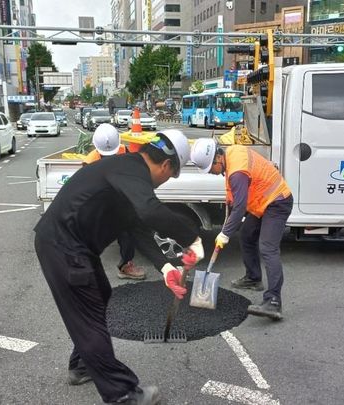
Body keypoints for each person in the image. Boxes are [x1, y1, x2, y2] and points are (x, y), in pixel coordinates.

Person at [34, 129, 205, 404]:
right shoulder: (131, 170)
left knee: (100, 297)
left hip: (74, 246)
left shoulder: (127, 171)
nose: (163, 183)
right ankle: (122, 393)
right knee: (89, 316)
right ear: (166, 166)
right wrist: (192, 238)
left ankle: (82, 366)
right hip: (63, 246)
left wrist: (166, 269)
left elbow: (138, 227)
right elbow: (150, 210)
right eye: (170, 176)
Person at [190, 138, 293, 321]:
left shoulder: (236, 171)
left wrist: (225, 234)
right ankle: (253, 278)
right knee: (246, 235)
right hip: (262, 204)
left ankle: (274, 302)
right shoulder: (231, 156)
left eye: (210, 169)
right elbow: (233, 204)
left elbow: (240, 207)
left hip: (277, 202)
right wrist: (227, 226)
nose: (212, 174)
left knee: (268, 248)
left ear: (217, 159)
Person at [83, 124, 145, 280]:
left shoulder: (125, 152)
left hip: (120, 199)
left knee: (127, 232)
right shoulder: (90, 161)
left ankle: (125, 266)